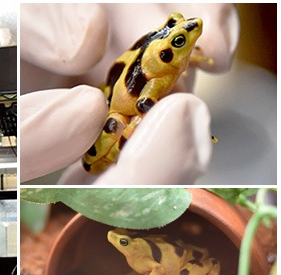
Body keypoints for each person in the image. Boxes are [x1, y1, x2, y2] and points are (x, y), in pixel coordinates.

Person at [19, 4, 240, 185]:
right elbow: (144, 104)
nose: (196, 24)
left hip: (114, 87)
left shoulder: (166, 65)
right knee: (115, 124)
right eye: (179, 41)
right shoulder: (160, 76)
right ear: (165, 53)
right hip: (118, 113)